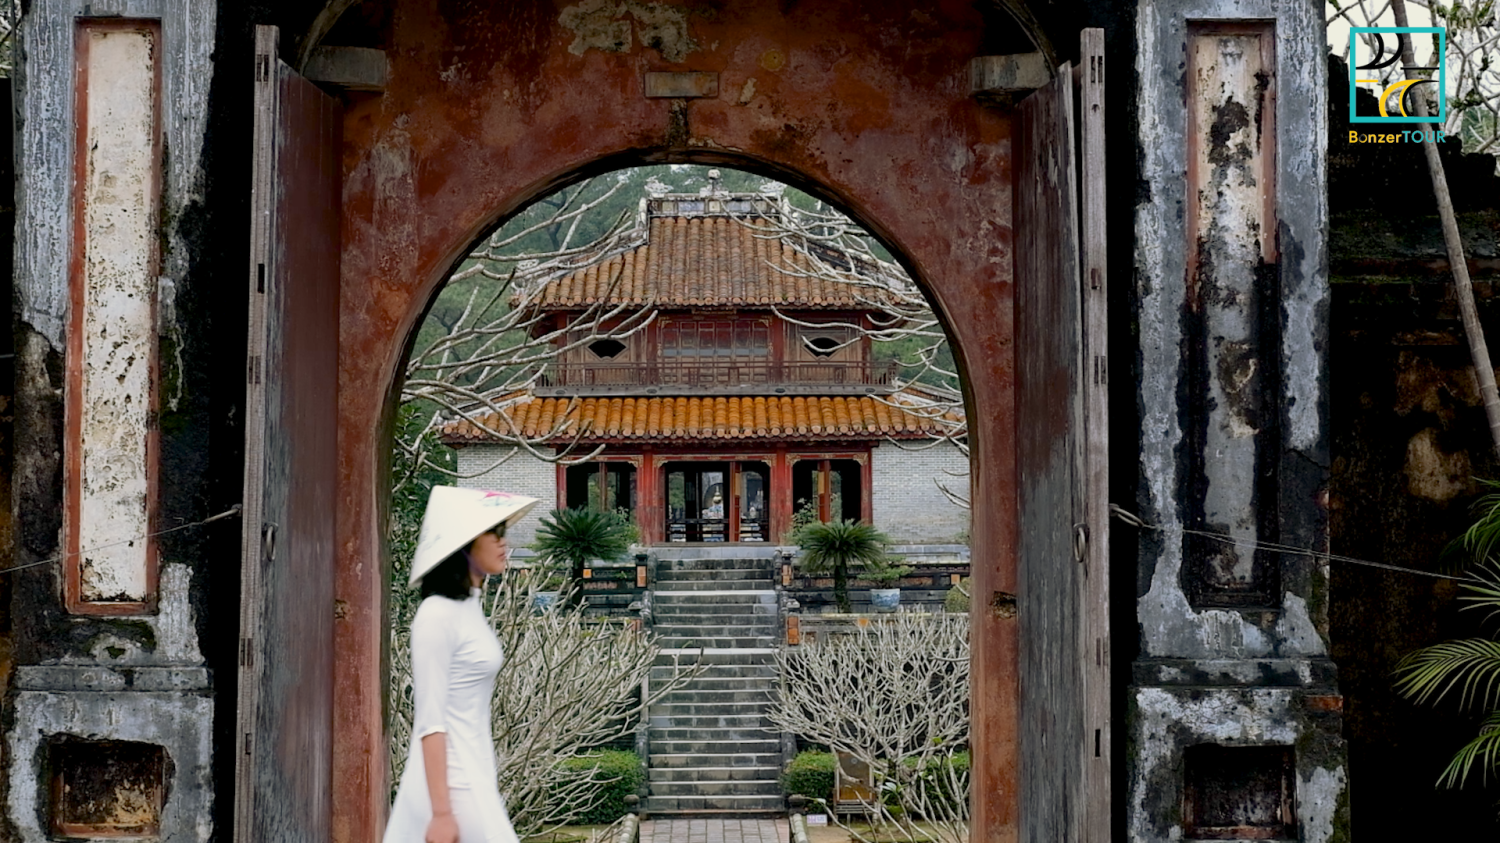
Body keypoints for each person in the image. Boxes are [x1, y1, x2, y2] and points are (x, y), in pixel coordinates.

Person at [384, 486, 539, 843]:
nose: (505, 542)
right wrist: (441, 812)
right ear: (464, 542)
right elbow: (430, 720)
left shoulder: (470, 607)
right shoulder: (436, 615)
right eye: (494, 533)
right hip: (451, 783)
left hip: (476, 771)